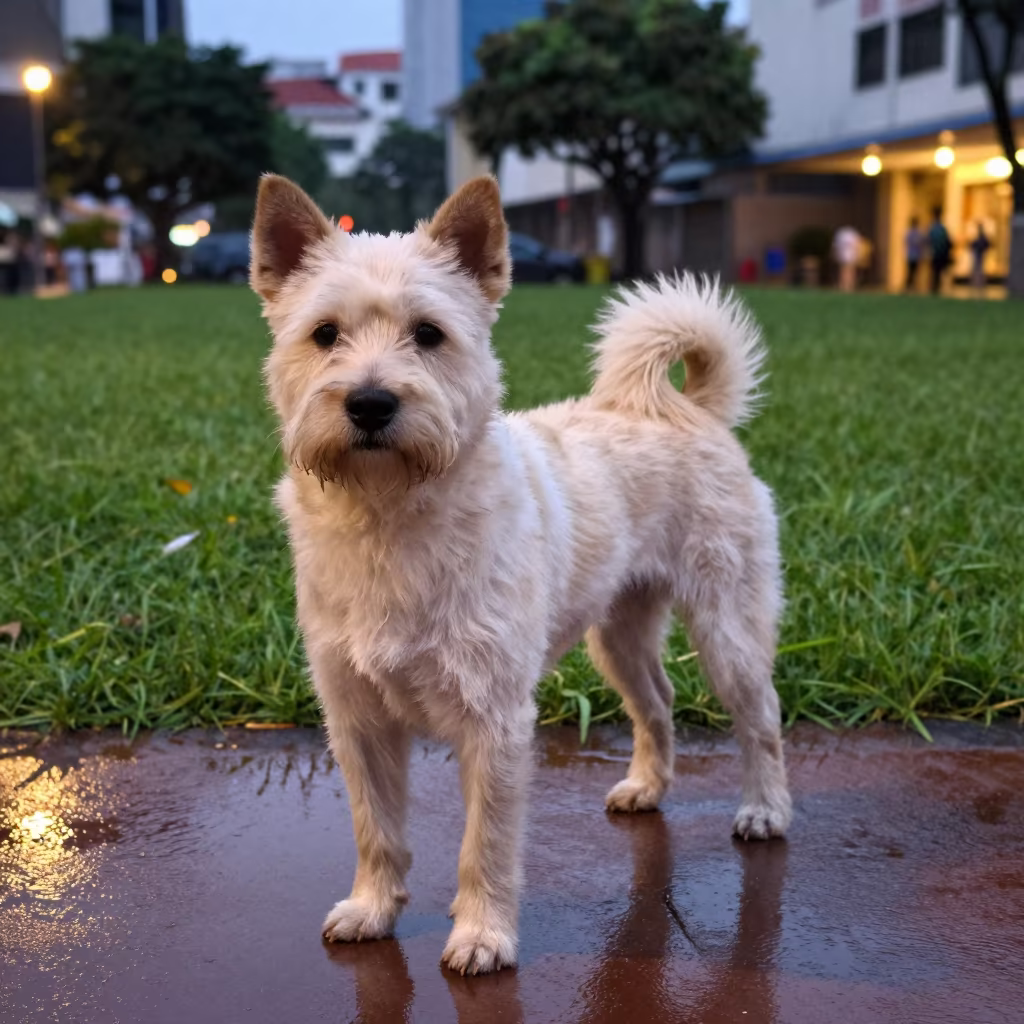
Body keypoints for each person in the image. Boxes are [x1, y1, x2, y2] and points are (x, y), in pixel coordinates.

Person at [928, 207, 952, 295]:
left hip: (937, 253)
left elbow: (930, 240)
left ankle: (936, 288)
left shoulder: (935, 228)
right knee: (937, 272)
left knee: (936, 272)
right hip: (940, 253)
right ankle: (936, 288)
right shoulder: (941, 228)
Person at [832, 225, 860, 292]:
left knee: (846, 271)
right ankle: (846, 285)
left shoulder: (842, 234)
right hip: (847, 255)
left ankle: (847, 285)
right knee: (847, 271)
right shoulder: (850, 234)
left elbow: (835, 246)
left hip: (848, 255)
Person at [970, 221, 990, 292]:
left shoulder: (982, 236)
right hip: (978, 254)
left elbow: (986, 244)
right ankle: (977, 283)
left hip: (980, 254)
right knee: (977, 269)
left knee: (979, 270)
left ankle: (979, 284)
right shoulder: (979, 236)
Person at [905, 216, 923, 291]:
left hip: (914, 255)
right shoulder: (911, 233)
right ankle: (909, 285)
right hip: (912, 255)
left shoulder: (916, 233)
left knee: (913, 272)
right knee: (911, 272)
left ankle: (912, 286)